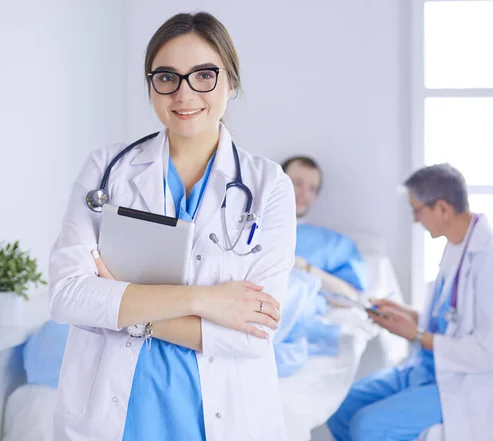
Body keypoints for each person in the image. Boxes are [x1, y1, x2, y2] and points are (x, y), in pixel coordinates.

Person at [48, 12, 296, 441]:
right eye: (167, 77)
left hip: (219, 417)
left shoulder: (268, 186)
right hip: (118, 417)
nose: (184, 93)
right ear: (151, 85)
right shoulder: (108, 170)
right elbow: (68, 297)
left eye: (204, 75)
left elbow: (254, 335)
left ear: (230, 83)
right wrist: (208, 301)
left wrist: (124, 307)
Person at [327, 163, 493, 441]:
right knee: (341, 406)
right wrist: (407, 315)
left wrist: (417, 334)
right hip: (430, 368)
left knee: (367, 426)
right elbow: (451, 319)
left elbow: (492, 354)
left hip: (469, 385)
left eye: (417, 210)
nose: (415, 220)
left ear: (443, 209)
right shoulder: (457, 245)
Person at [281, 156, 366, 292]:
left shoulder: (335, 244)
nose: (303, 194)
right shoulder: (251, 229)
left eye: (312, 188)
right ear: (279, 182)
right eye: (297, 183)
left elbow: (354, 297)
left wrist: (305, 268)